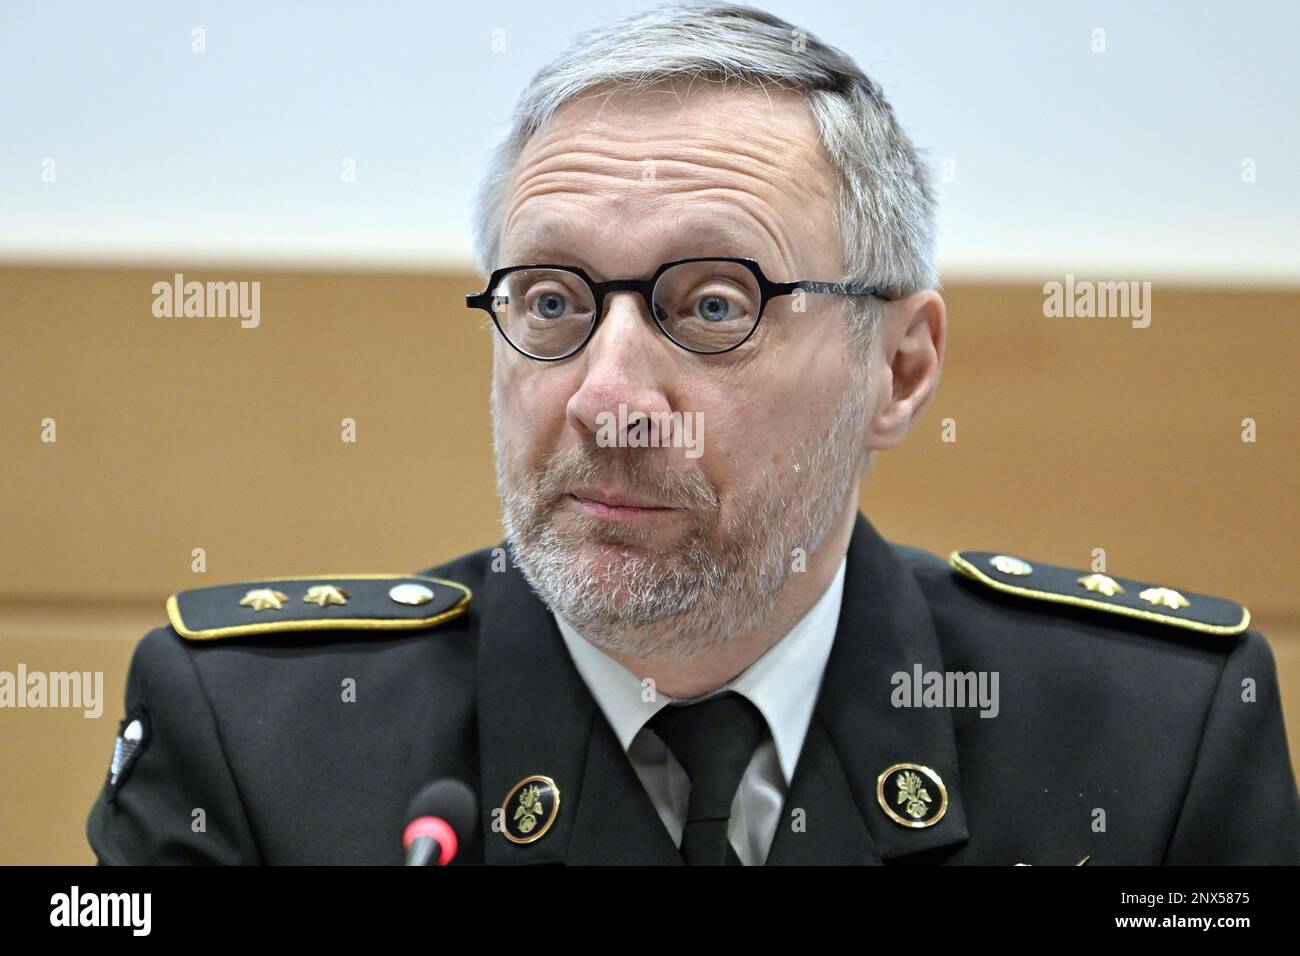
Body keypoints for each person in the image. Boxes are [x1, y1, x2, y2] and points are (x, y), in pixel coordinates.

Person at [87, 2, 1300, 865]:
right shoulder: (255, 737)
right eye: (551, 302)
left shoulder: (1152, 743)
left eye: (712, 305)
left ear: (902, 366)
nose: (608, 400)